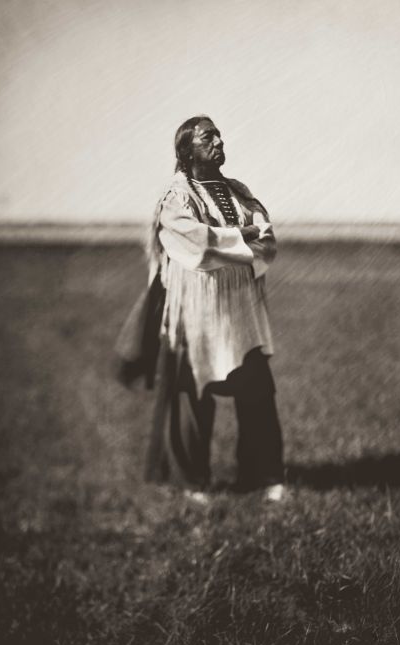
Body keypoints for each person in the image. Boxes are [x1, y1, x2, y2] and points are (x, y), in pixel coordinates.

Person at [123, 115, 285, 502]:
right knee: (190, 394)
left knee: (257, 390)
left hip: (240, 309)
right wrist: (241, 240)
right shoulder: (176, 198)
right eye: (207, 136)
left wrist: (237, 241)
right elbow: (196, 245)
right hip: (192, 309)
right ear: (186, 150)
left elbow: (267, 240)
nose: (219, 141)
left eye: (219, 134)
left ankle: (262, 477)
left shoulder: (239, 192)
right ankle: (191, 481)